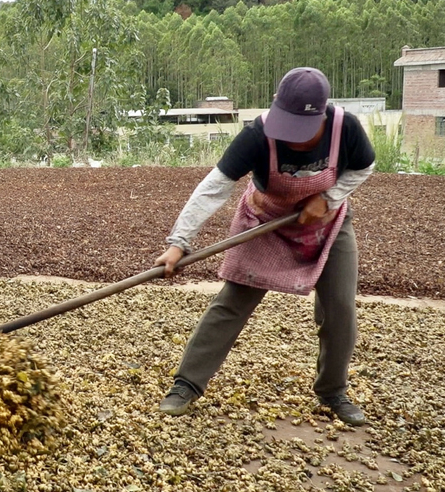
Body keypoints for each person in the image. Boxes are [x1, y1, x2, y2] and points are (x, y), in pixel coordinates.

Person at [156, 67, 375, 426]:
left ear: (322, 113)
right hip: (265, 221)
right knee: (232, 302)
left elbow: (364, 167)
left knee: (340, 308)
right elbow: (214, 188)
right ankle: (186, 385)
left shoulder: (344, 128)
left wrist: (329, 198)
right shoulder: (256, 135)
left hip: (327, 225)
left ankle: (333, 391)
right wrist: (179, 243)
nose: (294, 139)